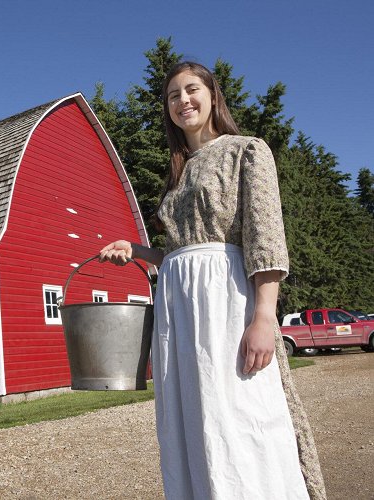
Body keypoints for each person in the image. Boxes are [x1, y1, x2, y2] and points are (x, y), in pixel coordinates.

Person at [100, 61, 325, 499]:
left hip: (226, 303)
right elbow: (180, 254)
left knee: (240, 413)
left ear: (212, 96)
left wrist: (264, 318)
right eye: (172, 96)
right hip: (179, 310)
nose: (182, 101)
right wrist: (138, 251)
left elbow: (265, 239)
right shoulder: (178, 172)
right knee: (191, 418)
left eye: (191, 90)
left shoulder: (247, 150)